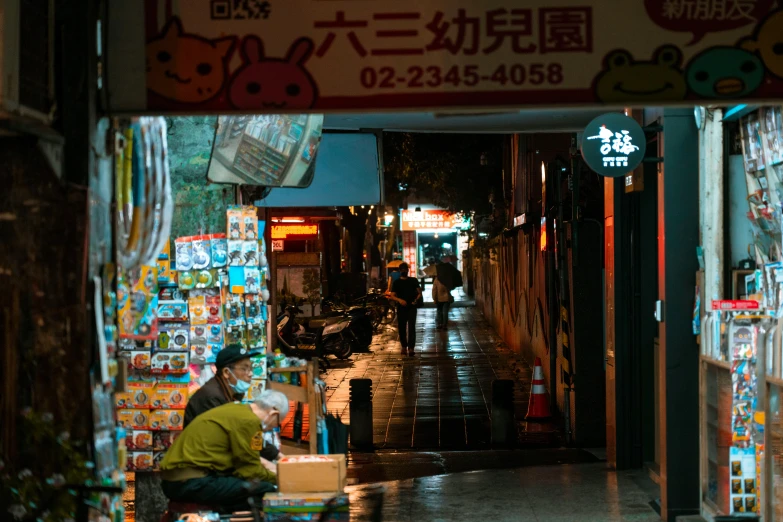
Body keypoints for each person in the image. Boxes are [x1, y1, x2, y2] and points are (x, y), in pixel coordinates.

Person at [160, 390, 290, 513]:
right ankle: (220, 514)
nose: (272, 428)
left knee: (251, 484)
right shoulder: (249, 421)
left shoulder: (237, 410)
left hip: (178, 481)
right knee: (264, 490)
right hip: (190, 482)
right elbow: (250, 471)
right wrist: (282, 480)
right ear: (274, 414)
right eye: (277, 423)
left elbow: (247, 460)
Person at [185, 345, 281, 465]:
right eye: (244, 369)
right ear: (226, 372)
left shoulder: (229, 394)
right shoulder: (212, 397)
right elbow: (232, 440)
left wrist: (277, 455)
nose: (250, 374)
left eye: (251, 368)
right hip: (200, 468)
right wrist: (264, 464)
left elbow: (246, 434)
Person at [389, 262, 422, 356]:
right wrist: (399, 300)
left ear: (408, 270)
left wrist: (416, 300)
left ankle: (411, 348)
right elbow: (392, 295)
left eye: (405, 269)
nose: (404, 271)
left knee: (412, 327)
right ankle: (404, 346)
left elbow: (419, 292)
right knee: (402, 328)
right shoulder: (397, 282)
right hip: (401, 308)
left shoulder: (413, 280)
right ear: (400, 271)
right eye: (402, 270)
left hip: (412, 307)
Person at [433, 255, 463, 330]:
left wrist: (434, 298)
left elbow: (434, 290)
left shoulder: (437, 280)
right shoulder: (448, 279)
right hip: (447, 298)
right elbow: (451, 287)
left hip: (439, 298)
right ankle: (444, 325)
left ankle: (439, 324)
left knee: (439, 311)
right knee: (445, 311)